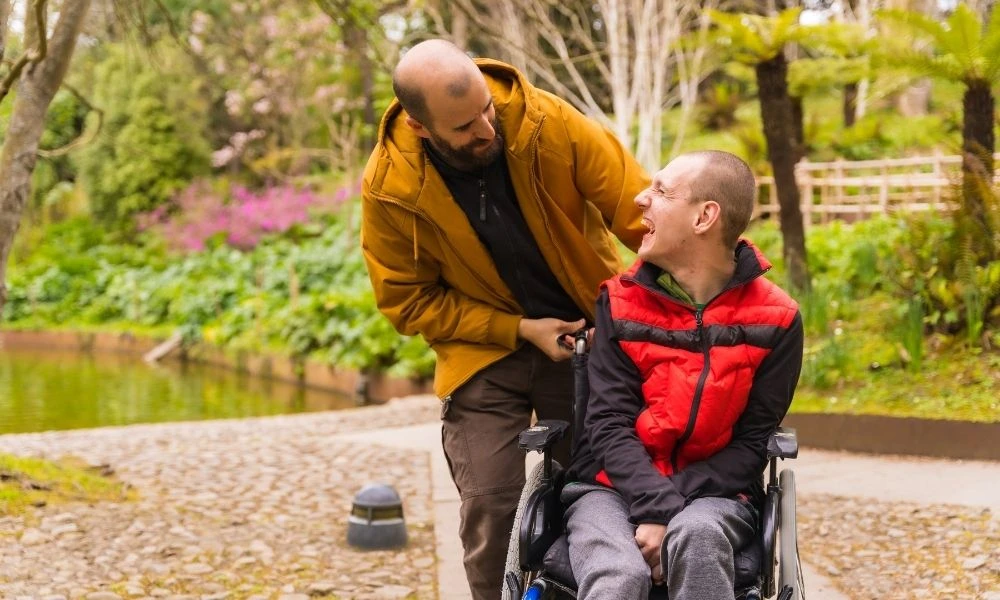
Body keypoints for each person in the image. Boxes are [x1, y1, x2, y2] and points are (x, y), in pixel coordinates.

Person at [359, 39, 649, 599]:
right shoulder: (389, 188)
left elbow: (642, 211)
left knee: (593, 496)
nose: (487, 130)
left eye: (487, 109)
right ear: (422, 127)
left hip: (584, 334)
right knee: (493, 506)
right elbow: (408, 302)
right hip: (484, 353)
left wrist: (714, 280)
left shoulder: (547, 122)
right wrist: (517, 329)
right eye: (465, 127)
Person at [562, 150, 804, 599]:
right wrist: (657, 504)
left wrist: (671, 507)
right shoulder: (619, 302)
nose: (640, 199)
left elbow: (752, 444)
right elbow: (607, 424)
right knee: (619, 573)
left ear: (704, 217)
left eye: (661, 191)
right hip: (608, 487)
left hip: (715, 495)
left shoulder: (777, 320)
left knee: (698, 537)